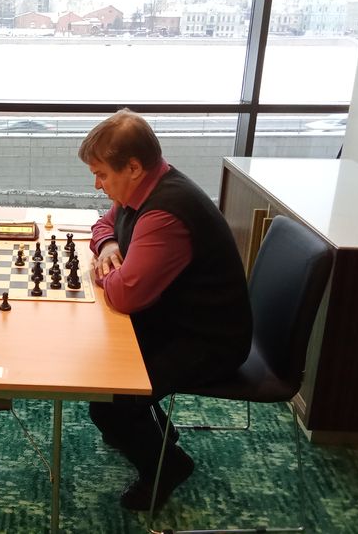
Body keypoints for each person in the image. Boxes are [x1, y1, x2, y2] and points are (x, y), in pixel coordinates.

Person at [78, 109, 252, 511]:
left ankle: (169, 466)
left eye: (101, 174)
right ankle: (156, 433)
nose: (97, 184)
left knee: (110, 398)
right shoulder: (142, 190)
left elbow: (125, 296)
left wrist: (106, 272)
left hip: (209, 340)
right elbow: (103, 224)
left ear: (133, 167)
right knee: (107, 362)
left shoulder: (165, 214)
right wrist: (108, 246)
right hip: (176, 320)